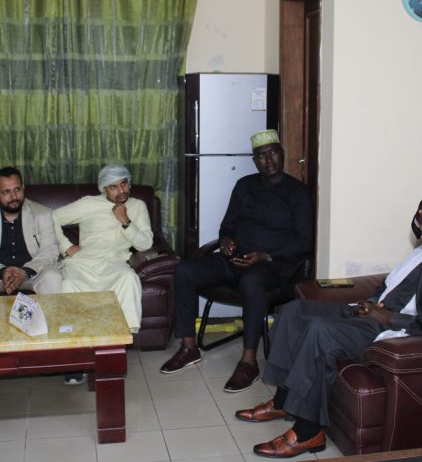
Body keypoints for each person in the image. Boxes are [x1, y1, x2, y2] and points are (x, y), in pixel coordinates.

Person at [160, 129, 314, 393]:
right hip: (235, 259)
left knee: (252, 281)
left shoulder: (298, 192)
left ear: (282, 154)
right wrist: (225, 241)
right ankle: (188, 347)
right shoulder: (244, 185)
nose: (269, 160)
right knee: (185, 270)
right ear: (254, 160)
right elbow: (227, 225)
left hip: (271, 265)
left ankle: (248, 362)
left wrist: (266, 255)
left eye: (273, 153)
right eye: (261, 156)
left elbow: (305, 241)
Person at [235, 246, 422, 459]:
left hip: (393, 328)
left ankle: (308, 432)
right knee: (294, 311)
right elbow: (387, 286)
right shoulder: (417, 253)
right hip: (370, 314)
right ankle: (282, 402)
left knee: (320, 332)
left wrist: (387, 317)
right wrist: (371, 304)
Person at [53, 164, 153, 333]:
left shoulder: (138, 206)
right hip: (83, 263)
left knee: (129, 279)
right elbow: (51, 217)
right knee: (69, 284)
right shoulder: (88, 203)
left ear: (129, 183)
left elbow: (146, 244)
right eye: (114, 187)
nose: (121, 191)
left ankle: (122, 336)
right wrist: (66, 246)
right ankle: (75, 337)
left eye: (124, 184)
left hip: (114, 263)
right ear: (104, 189)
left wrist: (125, 221)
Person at [0, 166, 61, 295]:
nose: (14, 196)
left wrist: (25, 272)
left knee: (52, 276)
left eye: (17, 189)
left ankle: (49, 310)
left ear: (23, 188)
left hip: (33, 274)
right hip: (1, 276)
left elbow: (50, 250)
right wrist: (3, 271)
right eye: (6, 192)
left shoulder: (42, 213)